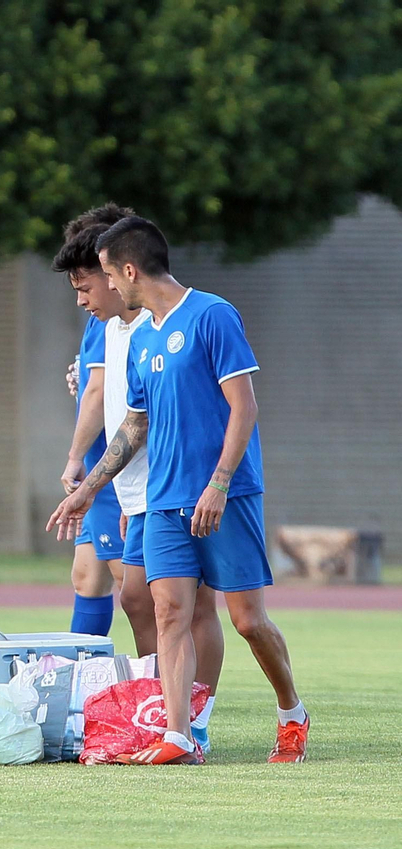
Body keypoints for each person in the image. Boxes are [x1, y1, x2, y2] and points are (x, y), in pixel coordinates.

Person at [49, 215, 307, 765]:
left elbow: (245, 406)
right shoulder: (140, 337)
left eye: (107, 277)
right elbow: (134, 426)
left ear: (128, 269)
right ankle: (179, 736)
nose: (107, 289)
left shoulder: (214, 315)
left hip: (225, 497)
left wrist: (218, 483)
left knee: (247, 621)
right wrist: (91, 488)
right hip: (163, 500)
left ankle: (291, 711)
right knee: (168, 611)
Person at [52, 205, 226, 753]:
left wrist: (81, 471)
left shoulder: (169, 321)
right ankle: (164, 708)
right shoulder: (114, 327)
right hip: (136, 489)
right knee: (135, 598)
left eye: (94, 280)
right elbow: (124, 410)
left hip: (175, 485)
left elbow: (143, 414)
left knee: (200, 608)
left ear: (120, 272)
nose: (86, 295)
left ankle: (195, 716)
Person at [59, 221, 124, 639]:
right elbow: (95, 385)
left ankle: (164, 689)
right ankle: (84, 681)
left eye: (84, 285)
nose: (81, 299)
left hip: (115, 471)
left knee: (136, 590)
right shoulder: (99, 318)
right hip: (101, 466)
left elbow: (100, 392)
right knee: (87, 577)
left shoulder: (113, 315)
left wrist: (74, 459)